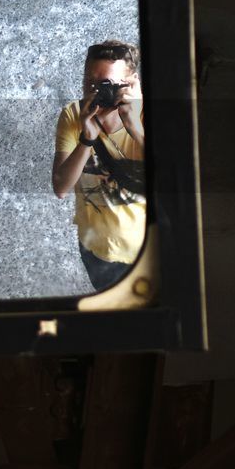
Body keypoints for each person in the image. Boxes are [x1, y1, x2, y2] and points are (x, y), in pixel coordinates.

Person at [51, 40, 146, 290]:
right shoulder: (74, 115)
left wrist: (134, 126)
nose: (96, 92)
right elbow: (61, 188)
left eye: (106, 85)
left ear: (132, 82)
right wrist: (87, 137)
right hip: (98, 251)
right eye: (89, 83)